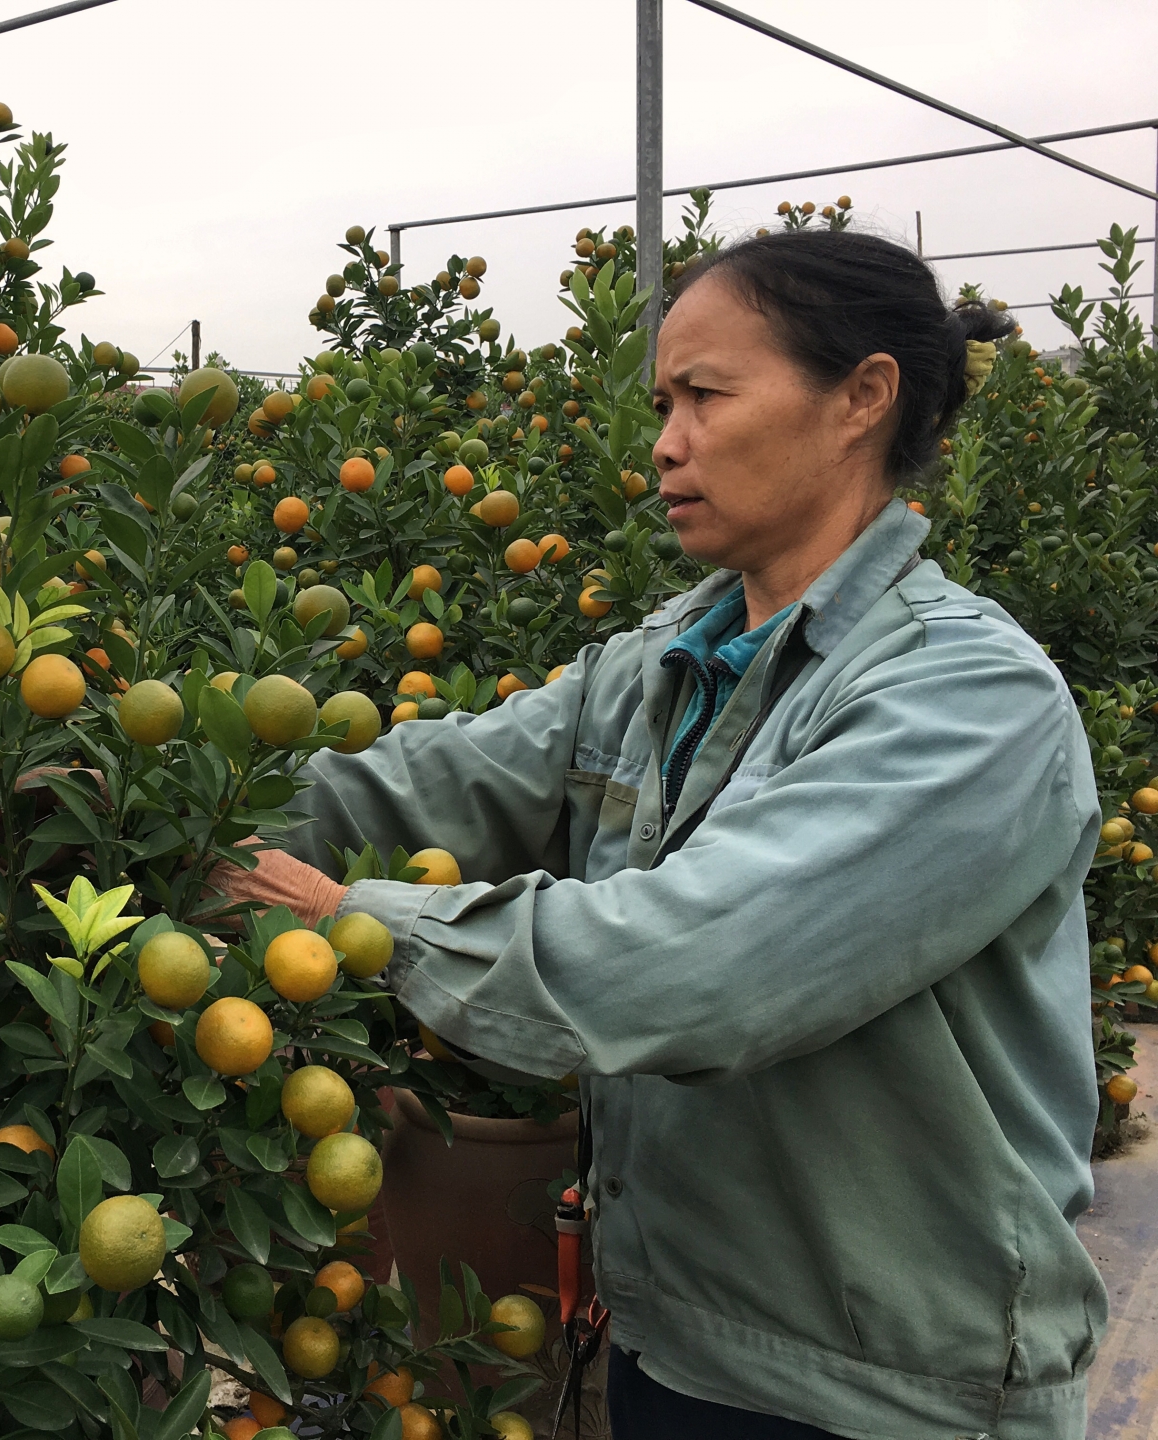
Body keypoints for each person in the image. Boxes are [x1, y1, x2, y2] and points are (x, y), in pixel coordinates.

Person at [216, 228, 1105, 1439]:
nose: (667, 441)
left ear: (862, 398)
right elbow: (425, 783)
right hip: (677, 1339)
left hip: (893, 1389)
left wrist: (348, 921)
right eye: (662, 402)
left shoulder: (969, 700)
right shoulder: (656, 665)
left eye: (705, 395)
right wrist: (139, 800)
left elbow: (696, 966)